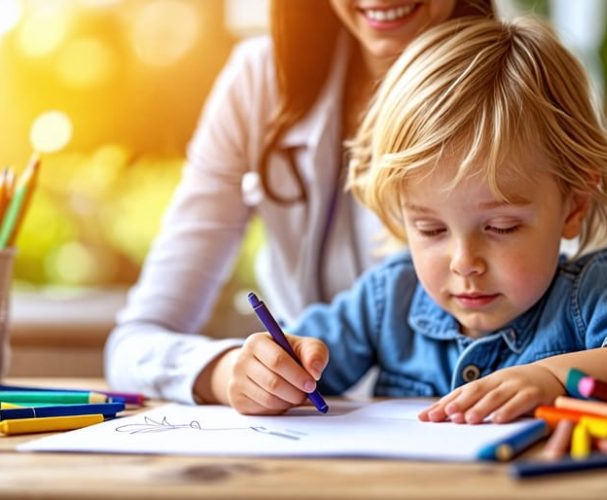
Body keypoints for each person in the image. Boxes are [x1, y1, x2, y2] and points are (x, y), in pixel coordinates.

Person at [199, 16, 607, 422]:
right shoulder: (388, 299)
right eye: (431, 230)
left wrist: (555, 379)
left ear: (573, 205)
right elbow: (299, 357)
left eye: (501, 228)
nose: (465, 262)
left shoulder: (591, 293)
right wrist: (262, 372)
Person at [105, 0, 496, 402]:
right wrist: (228, 372)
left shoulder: (514, 93)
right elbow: (133, 344)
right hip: (304, 429)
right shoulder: (259, 80)